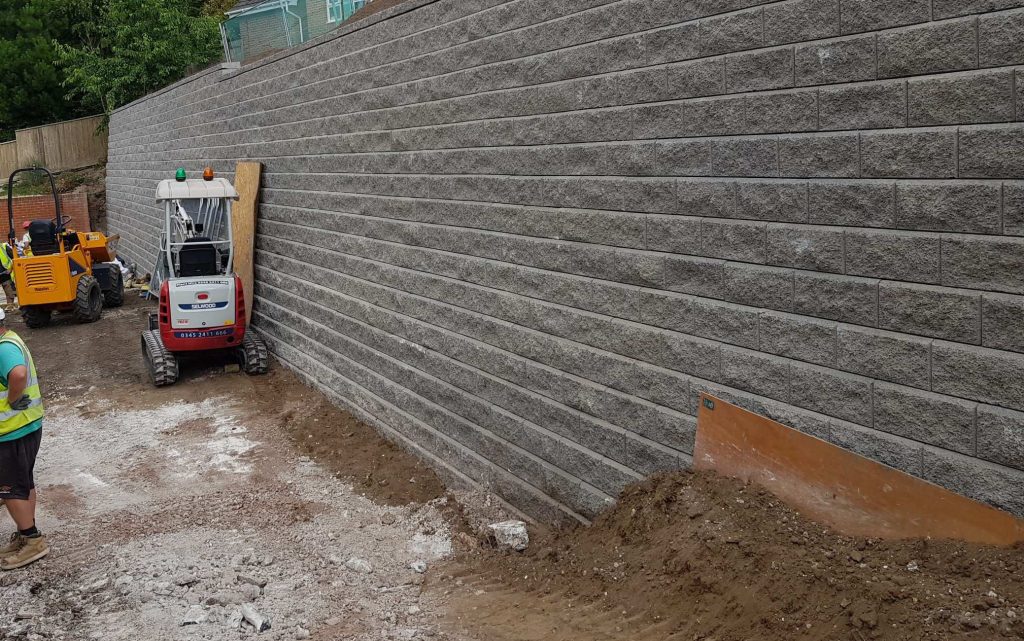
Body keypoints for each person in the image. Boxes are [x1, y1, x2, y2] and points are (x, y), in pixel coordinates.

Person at [0, 307, 47, 570]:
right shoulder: (11, 338)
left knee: (8, 489)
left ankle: (33, 541)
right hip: (25, 426)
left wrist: (11, 399)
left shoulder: (3, 348)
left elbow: (18, 374)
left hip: (11, 431)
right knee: (23, 483)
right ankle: (25, 532)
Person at [0, 242, 16, 311]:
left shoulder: (4, 247)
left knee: (8, 290)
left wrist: (10, 268)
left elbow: (15, 258)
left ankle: (10, 306)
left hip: (5, 273)